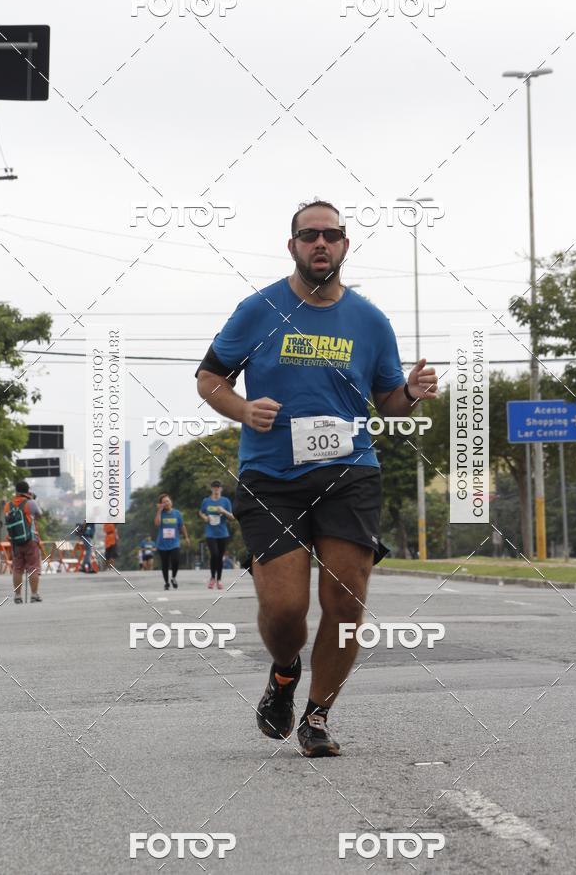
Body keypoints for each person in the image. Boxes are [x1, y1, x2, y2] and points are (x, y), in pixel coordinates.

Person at [196, 199, 438, 757]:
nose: (320, 244)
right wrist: (241, 408)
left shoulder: (370, 320)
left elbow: (389, 401)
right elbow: (209, 377)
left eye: (331, 235)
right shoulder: (258, 309)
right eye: (310, 235)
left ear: (345, 245)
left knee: (346, 601)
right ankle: (285, 672)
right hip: (271, 474)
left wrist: (412, 394)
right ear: (293, 246)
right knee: (284, 610)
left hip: (350, 470)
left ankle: (318, 715)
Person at [4, 481, 43, 604]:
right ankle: (34, 594)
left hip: (15, 541)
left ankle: (17, 596)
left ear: (16, 491)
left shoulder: (8, 505)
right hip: (30, 539)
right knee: (33, 567)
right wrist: (31, 499)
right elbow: (39, 515)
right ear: (27, 491)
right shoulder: (30, 503)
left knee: (17, 569)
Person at [198, 480, 235, 589]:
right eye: (214, 487)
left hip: (223, 533)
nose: (216, 489)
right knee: (214, 554)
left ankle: (219, 579)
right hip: (210, 533)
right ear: (211, 489)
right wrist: (205, 517)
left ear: (221, 489)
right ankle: (212, 578)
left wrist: (224, 511)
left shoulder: (225, 501)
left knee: (219, 557)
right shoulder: (206, 501)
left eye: (218, 487)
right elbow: (201, 512)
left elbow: (232, 517)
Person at [154, 494, 190, 589]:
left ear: (171, 501)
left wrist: (186, 537)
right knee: (165, 564)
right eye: (164, 502)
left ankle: (173, 577)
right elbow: (157, 524)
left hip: (175, 542)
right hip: (162, 544)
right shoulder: (160, 513)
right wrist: (159, 510)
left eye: (168, 501)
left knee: (176, 561)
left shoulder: (177, 513)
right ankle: (166, 583)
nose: (166, 503)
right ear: (161, 504)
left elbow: (182, 526)